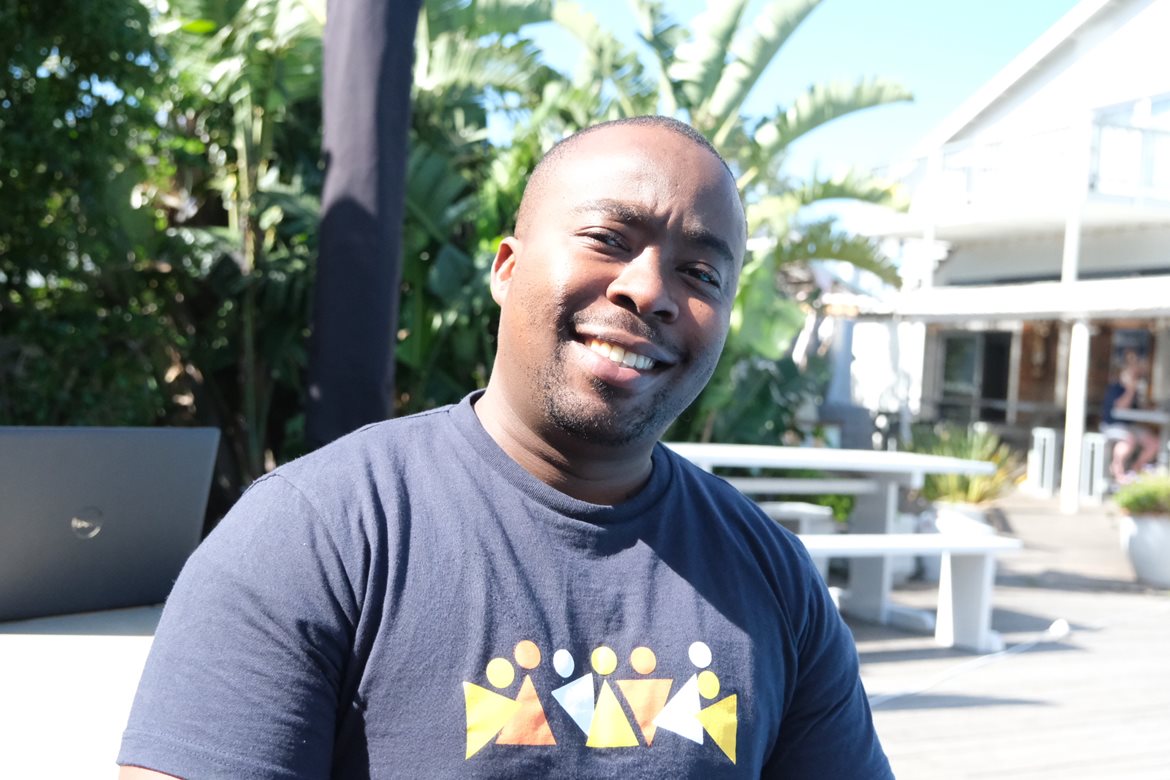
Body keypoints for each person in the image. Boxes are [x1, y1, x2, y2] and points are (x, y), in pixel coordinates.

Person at [118, 116, 891, 778]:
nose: (650, 289)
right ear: (506, 269)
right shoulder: (315, 534)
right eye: (608, 238)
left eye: (700, 272)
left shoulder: (771, 577)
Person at [1102, 350, 1159, 483]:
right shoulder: (1116, 386)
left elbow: (1139, 408)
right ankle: (1118, 472)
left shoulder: (1136, 388)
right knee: (1128, 441)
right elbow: (1120, 407)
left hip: (1130, 426)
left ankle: (1136, 469)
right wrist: (1130, 389)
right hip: (1112, 425)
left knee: (1154, 442)